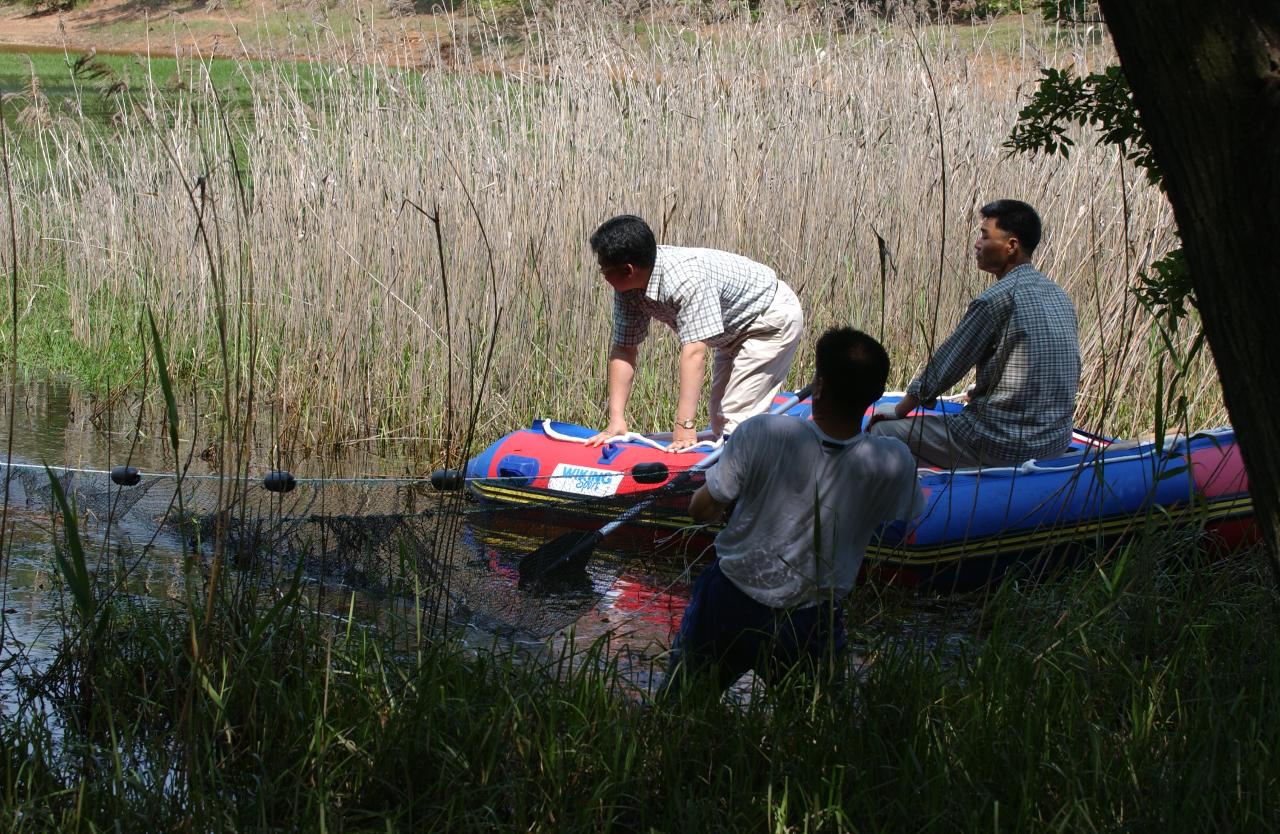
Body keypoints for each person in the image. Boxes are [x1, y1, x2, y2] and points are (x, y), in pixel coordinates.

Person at [658, 327, 925, 698]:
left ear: (818, 386)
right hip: (811, 618)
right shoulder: (893, 461)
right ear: (878, 395)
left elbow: (699, 511)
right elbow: (897, 516)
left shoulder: (763, 432)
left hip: (729, 601)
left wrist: (731, 495)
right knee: (812, 733)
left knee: (681, 705)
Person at [867, 200, 1080, 468]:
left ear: (1011, 246)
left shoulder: (995, 300)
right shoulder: (1059, 295)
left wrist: (899, 409)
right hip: (1054, 441)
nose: (977, 244)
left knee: (881, 433)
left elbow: (946, 366)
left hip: (1000, 443)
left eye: (984, 235)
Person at [586, 215, 804, 452]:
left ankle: (763, 468)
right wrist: (616, 419)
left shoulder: (686, 279)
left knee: (736, 417)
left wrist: (685, 426)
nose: (603, 276)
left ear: (628, 269)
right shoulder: (627, 288)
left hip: (768, 320)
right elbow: (624, 349)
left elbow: (695, 352)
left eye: (604, 271)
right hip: (730, 332)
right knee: (719, 419)